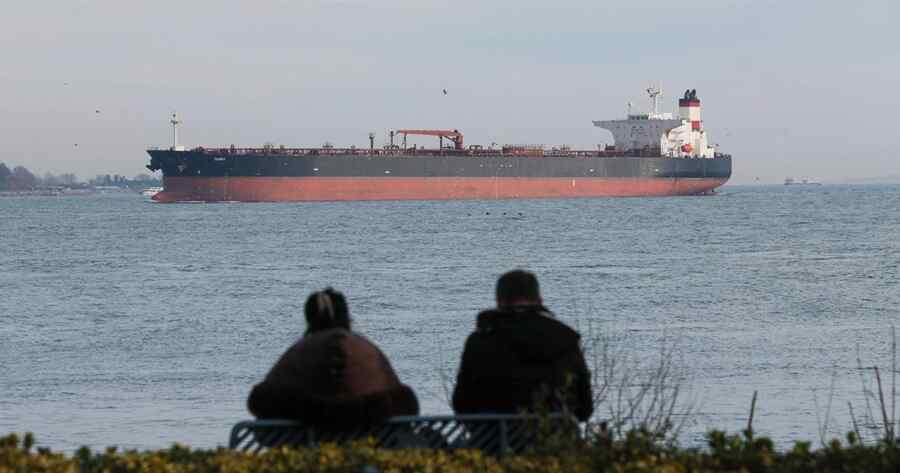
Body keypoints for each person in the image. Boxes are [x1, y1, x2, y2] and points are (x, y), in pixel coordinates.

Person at [247, 288, 419, 430]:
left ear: (309, 319)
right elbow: (406, 405)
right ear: (347, 317)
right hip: (372, 445)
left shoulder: (299, 352)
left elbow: (262, 401)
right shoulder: (366, 350)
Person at [452, 270, 593, 421]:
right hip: (554, 437)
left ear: (499, 301)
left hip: (492, 439)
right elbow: (584, 407)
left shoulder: (479, 341)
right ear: (539, 300)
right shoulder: (565, 339)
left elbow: (461, 403)